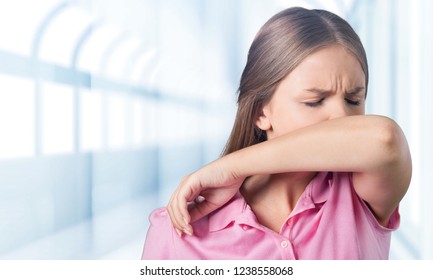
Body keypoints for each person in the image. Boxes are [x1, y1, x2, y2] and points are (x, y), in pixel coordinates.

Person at [141, 6, 411, 259]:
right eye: (314, 102)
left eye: (353, 100)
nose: (343, 118)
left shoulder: (362, 193)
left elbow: (385, 139)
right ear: (260, 113)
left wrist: (232, 167)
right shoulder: (177, 233)